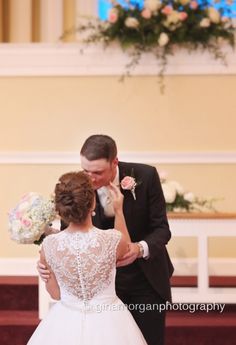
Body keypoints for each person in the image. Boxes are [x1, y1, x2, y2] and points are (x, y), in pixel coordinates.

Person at [38, 134, 174, 345]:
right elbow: (71, 232)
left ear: (114, 163)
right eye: (85, 170)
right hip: (102, 283)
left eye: (97, 172)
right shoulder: (79, 186)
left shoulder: (146, 175)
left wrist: (139, 248)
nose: (90, 178)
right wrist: (51, 265)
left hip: (145, 280)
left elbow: (161, 229)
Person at [28, 171, 147, 345]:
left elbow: (56, 294)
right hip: (111, 320)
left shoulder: (49, 245)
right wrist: (119, 211)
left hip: (65, 321)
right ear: (92, 204)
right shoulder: (113, 240)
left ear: (60, 208)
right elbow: (126, 249)